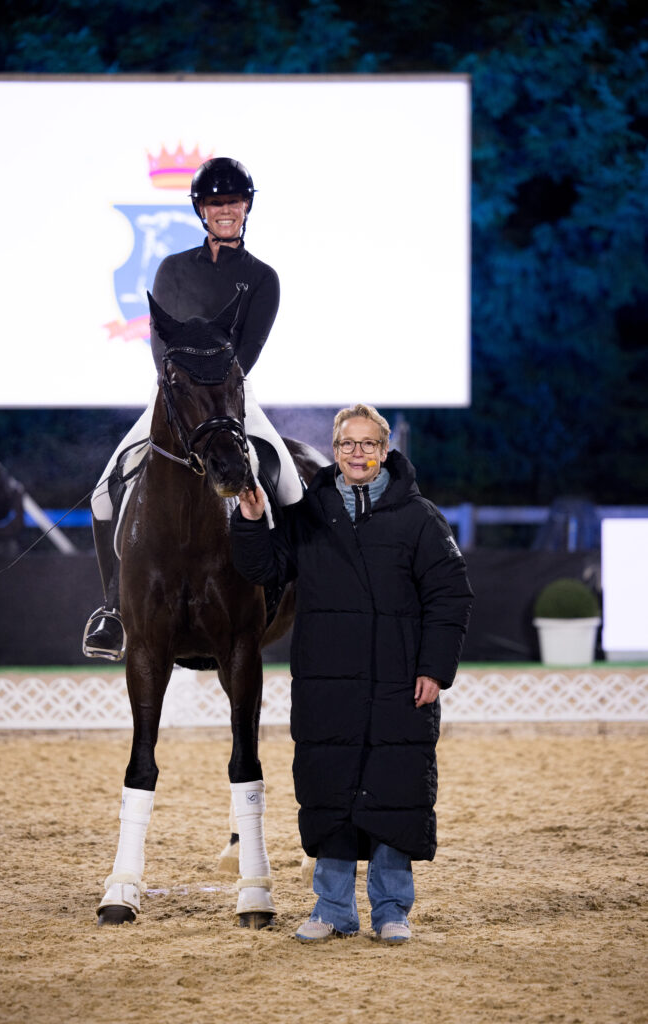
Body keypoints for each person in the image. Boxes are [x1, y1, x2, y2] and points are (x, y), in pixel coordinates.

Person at [230, 403, 474, 943]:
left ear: (384, 451)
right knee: (330, 791)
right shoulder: (308, 514)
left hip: (399, 682)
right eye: (347, 444)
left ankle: (391, 911)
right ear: (335, 450)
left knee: (394, 791)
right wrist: (249, 521)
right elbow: (264, 568)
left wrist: (435, 669)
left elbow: (451, 595)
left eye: (367, 444)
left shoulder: (420, 518)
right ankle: (333, 909)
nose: (356, 453)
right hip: (327, 682)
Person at [83, 157, 303, 661]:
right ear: (201, 210)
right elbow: (161, 343)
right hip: (174, 398)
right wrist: (178, 392)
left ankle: (293, 588)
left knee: (291, 485)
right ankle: (112, 609)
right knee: (102, 495)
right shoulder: (172, 269)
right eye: (215, 203)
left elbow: (246, 354)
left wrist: (216, 394)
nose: (226, 210)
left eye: (234, 202)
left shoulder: (263, 278)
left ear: (246, 207)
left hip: (231, 399)